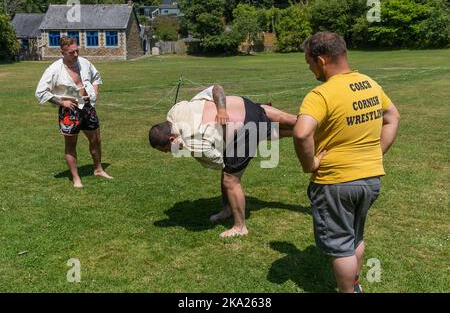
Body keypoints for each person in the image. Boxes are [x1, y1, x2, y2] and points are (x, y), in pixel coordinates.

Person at [293, 32, 400, 293]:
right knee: (355, 236)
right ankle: (355, 285)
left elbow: (301, 132)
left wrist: (311, 164)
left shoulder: (321, 94)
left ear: (321, 60)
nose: (310, 69)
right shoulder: (370, 84)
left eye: (309, 63)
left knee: (340, 246)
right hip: (370, 179)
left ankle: (347, 292)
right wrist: (377, 152)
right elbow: (393, 116)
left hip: (335, 183)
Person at [149, 84, 297, 237]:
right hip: (244, 105)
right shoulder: (175, 111)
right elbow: (217, 88)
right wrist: (221, 109)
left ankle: (240, 227)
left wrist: (187, 147)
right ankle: (313, 126)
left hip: (244, 127)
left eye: (166, 149)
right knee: (290, 124)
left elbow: (219, 161)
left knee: (230, 178)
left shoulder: (193, 142)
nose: (170, 152)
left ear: (172, 139)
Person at [35, 36, 113, 189]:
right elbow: (40, 92)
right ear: (62, 52)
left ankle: (98, 169)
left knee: (96, 140)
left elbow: (96, 76)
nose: (76, 54)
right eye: (71, 52)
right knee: (71, 145)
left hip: (88, 107)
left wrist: (95, 92)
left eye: (77, 51)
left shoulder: (84, 62)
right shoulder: (54, 69)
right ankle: (76, 178)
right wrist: (61, 102)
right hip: (69, 111)